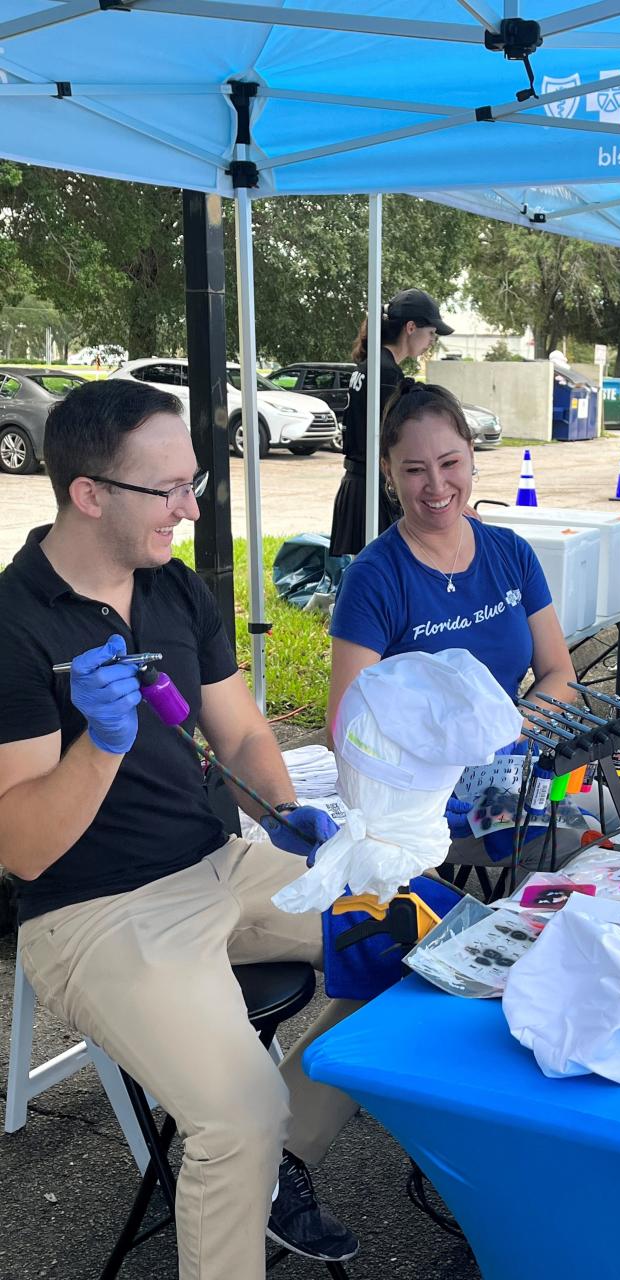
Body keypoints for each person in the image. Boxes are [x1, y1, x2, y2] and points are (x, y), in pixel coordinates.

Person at [0, 379, 360, 1279]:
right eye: (167, 489)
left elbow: (237, 731)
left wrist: (284, 819)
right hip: (92, 909)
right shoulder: (13, 624)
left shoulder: (175, 590)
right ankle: (253, 1153)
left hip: (218, 859)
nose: (190, 507)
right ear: (89, 493)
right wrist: (100, 746)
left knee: (411, 939)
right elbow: (23, 848)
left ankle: (282, 1168)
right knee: (234, 1115)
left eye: (193, 482)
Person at [326, 378, 576, 752]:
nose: (437, 485)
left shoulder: (511, 553)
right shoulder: (373, 579)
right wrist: (444, 755)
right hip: (418, 788)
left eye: (450, 462)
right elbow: (344, 727)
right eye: (414, 470)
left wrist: (507, 733)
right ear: (388, 471)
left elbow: (560, 674)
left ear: (471, 455)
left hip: (508, 762)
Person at [328, 289, 453, 557]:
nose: (432, 340)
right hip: (372, 491)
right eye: (431, 332)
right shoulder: (385, 373)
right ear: (411, 327)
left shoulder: (371, 365)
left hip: (359, 485)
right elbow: (395, 442)